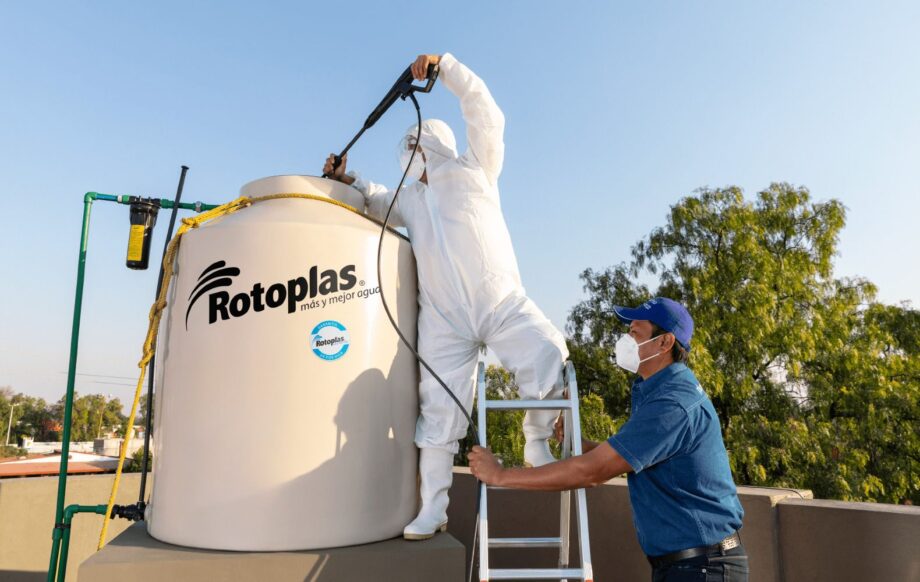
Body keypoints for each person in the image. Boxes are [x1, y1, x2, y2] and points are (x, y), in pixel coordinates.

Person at [322, 52, 568, 540]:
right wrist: (344, 179)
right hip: (444, 321)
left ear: (433, 141)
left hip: (500, 302)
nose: (412, 152)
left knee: (544, 349)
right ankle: (432, 508)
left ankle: (536, 441)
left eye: (417, 143)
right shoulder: (409, 198)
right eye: (408, 149)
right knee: (436, 409)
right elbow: (375, 200)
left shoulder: (475, 168)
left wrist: (446, 67)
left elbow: (486, 112)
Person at [468, 298, 749, 581]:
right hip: (690, 565)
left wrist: (500, 475)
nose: (626, 339)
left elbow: (593, 472)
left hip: (703, 568)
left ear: (665, 343)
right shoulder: (659, 390)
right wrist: (582, 444)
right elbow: (631, 456)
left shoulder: (671, 404)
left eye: (635, 333)